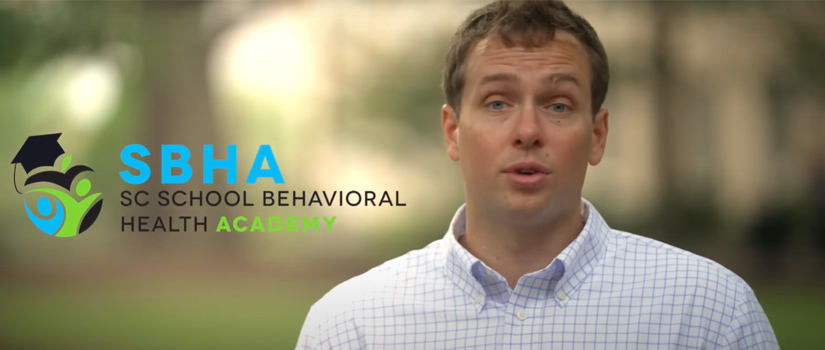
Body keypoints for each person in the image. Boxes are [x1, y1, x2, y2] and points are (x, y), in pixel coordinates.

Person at [297, 1, 779, 348]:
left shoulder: (710, 312)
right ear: (452, 133)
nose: (527, 131)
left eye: (558, 104)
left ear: (597, 135)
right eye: (498, 102)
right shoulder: (351, 325)